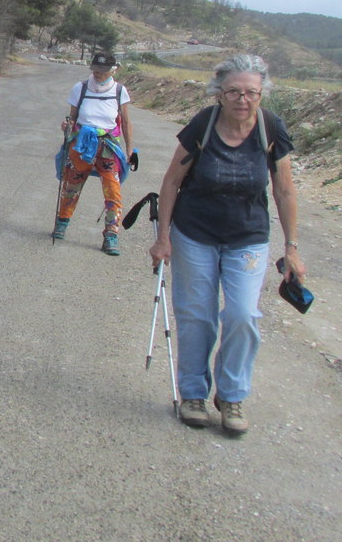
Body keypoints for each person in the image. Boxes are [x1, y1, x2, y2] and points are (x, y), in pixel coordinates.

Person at [149, 55, 305, 435]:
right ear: (218, 93)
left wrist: (293, 247)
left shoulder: (271, 128)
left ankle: (231, 395)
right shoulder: (203, 124)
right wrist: (163, 237)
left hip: (247, 238)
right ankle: (193, 394)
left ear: (262, 94)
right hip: (194, 234)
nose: (242, 99)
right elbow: (171, 182)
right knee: (196, 316)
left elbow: (284, 190)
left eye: (251, 92)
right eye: (233, 91)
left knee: (243, 316)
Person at [52, 51, 133, 255]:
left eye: (103, 71)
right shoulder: (80, 88)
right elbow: (72, 117)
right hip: (82, 146)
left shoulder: (119, 91)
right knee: (72, 187)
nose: (99, 74)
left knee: (113, 191)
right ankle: (62, 222)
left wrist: (130, 149)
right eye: (96, 70)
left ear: (114, 70)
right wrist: (67, 125)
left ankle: (111, 235)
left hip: (107, 147)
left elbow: (126, 122)